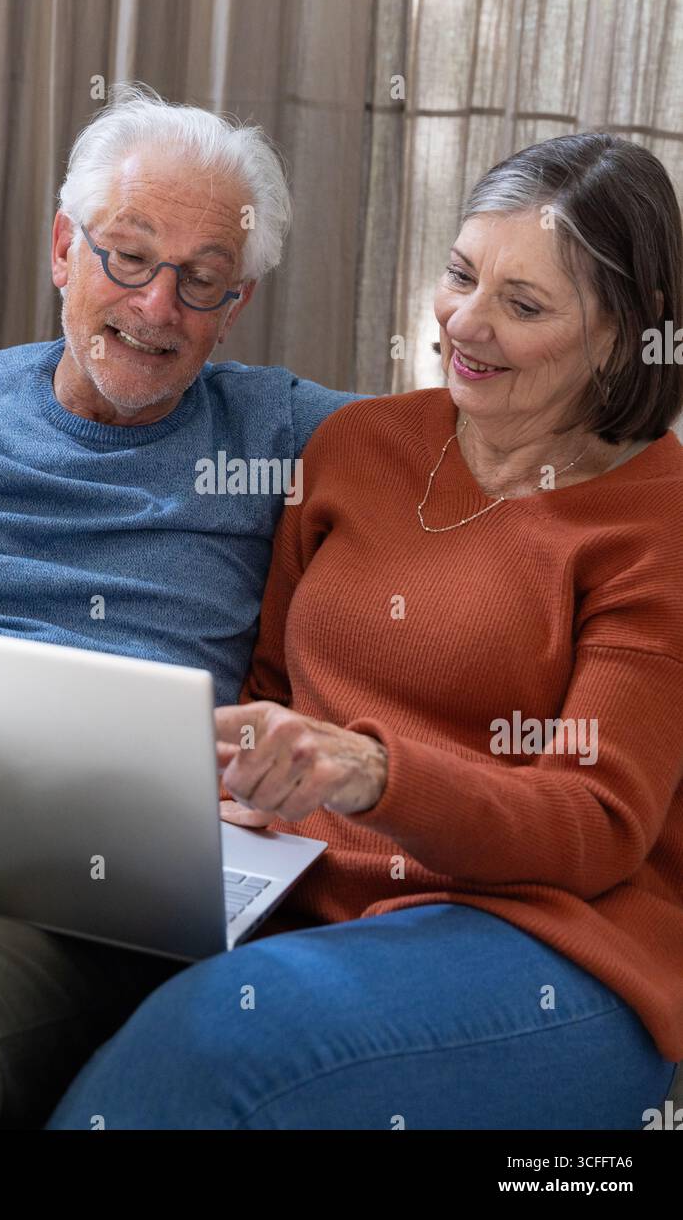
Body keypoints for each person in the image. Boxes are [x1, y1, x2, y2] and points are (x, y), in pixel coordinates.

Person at [47, 132, 683, 1130]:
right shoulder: (359, 446)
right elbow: (272, 688)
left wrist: (375, 775)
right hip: (303, 896)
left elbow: (597, 823)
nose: (464, 324)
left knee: (210, 1044)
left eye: (524, 305)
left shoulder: (656, 527)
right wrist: (239, 779)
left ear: (621, 335)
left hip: (546, 939)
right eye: (462, 275)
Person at [0, 84, 355, 1128]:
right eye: (128, 255)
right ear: (65, 248)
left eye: (203, 282)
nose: (158, 308)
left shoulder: (283, 431)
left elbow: (480, 453)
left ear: (235, 305)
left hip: (81, 886)